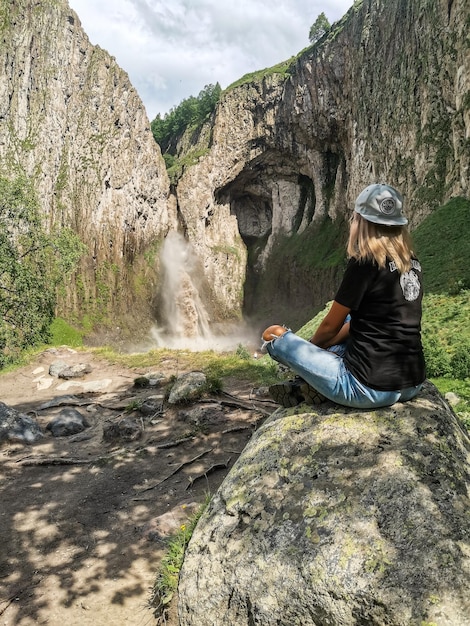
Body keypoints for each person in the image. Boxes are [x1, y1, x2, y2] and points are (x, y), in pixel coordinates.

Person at [262, 183, 426, 409]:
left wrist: (309, 352)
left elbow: (330, 326)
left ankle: (311, 379)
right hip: (412, 384)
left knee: (274, 335)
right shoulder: (412, 262)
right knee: (352, 318)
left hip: (367, 388)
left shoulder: (365, 262)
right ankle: (312, 382)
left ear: (361, 221)